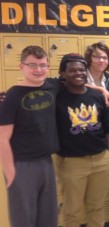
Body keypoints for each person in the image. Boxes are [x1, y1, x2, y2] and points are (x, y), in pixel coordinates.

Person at [0, 45, 60, 227]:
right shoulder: (12, 96)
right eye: (32, 65)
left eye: (42, 65)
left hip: (46, 162)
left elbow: (77, 83)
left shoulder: (52, 86)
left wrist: (102, 90)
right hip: (22, 165)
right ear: (22, 67)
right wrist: (10, 173)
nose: (38, 70)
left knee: (48, 218)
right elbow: (2, 138)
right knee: (24, 219)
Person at [55, 53, 109, 227]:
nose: (78, 73)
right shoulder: (57, 96)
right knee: (73, 211)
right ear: (63, 74)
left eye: (81, 70)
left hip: (101, 159)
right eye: (72, 70)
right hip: (72, 162)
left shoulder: (96, 96)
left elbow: (107, 126)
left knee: (96, 208)